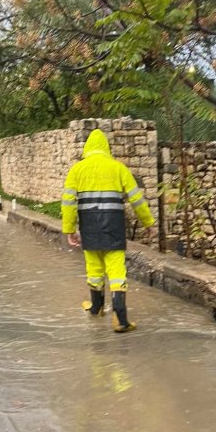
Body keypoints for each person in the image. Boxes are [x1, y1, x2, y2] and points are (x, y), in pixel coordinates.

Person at [61, 129, 155, 333]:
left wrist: (69, 229)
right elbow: (136, 199)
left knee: (94, 270)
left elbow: (68, 202)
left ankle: (96, 308)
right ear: (106, 147)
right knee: (116, 271)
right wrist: (148, 223)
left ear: (87, 148)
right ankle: (120, 318)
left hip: (89, 228)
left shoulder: (77, 170)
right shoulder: (118, 168)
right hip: (114, 227)